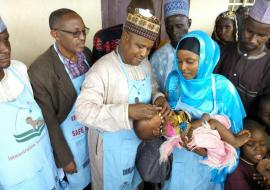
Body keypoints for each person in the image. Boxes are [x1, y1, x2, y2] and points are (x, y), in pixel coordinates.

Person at [75, 8, 170, 190]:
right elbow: (83, 111)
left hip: (138, 146)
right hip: (112, 150)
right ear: (125, 37)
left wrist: (158, 99)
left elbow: (153, 89)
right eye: (139, 46)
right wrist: (127, 111)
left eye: (148, 48)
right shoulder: (102, 69)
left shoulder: (145, 65)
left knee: (135, 183)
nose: (143, 53)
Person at [163, 30, 246, 190]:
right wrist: (183, 134)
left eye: (190, 61)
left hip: (209, 164)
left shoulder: (222, 89)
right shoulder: (174, 81)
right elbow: (170, 117)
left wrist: (209, 154)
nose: (183, 68)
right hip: (180, 158)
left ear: (205, 60)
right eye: (179, 61)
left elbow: (235, 137)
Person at [28, 9, 92, 190]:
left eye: (83, 31)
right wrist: (64, 158)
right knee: (79, 183)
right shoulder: (40, 71)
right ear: (55, 34)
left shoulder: (85, 55)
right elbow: (49, 121)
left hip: (91, 132)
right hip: (69, 142)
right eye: (75, 33)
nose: (82, 37)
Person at [0, 17, 60, 190]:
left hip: (46, 167)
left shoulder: (19, 70)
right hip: (18, 182)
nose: (5, 49)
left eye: (6, 40)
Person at [214, 0, 270, 119]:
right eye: (249, 31)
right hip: (215, 116)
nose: (252, 39)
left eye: (261, 35)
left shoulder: (268, 66)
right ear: (243, 23)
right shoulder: (224, 50)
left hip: (246, 125)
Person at [150, 0, 191, 93]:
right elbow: (153, 89)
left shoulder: (200, 53)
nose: (174, 31)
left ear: (189, 23)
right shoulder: (158, 57)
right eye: (169, 27)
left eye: (179, 26)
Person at [225, 119, 270, 190]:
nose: (258, 149)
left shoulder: (265, 163)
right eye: (250, 144)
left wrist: (265, 176)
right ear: (240, 144)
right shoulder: (235, 170)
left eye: (262, 144)